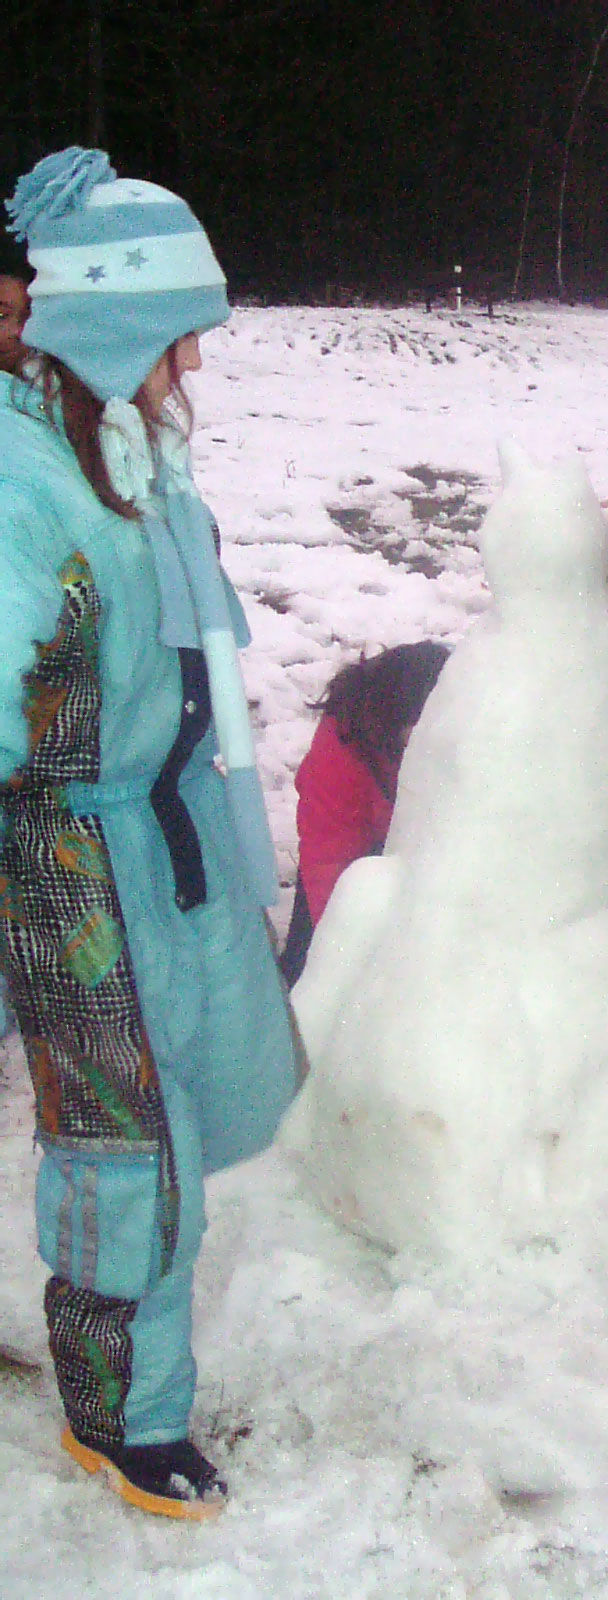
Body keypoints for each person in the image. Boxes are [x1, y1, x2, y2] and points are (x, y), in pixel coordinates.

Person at [0, 147, 298, 1517]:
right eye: (178, 338)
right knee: (129, 1155)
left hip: (161, 852)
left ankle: (139, 1382)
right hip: (68, 862)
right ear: (113, 330)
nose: (194, 368)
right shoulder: (24, 484)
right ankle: (119, 1414)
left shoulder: (132, 454)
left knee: (173, 1124)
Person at [279, 640, 449, 985]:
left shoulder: (459, 734)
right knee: (312, 967)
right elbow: (328, 859)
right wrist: (341, 954)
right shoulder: (339, 753)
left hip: (428, 853)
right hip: (360, 857)